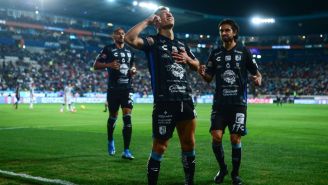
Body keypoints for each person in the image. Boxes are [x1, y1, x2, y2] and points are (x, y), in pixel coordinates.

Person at [125, 7, 200, 185]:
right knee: (160, 146)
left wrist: (188, 60)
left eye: (170, 12)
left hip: (185, 100)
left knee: (189, 144)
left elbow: (197, 66)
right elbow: (130, 38)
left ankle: (189, 182)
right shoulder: (153, 41)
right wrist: (147, 21)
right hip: (165, 102)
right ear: (157, 20)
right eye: (164, 13)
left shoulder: (182, 45)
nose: (170, 14)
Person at [198, 19, 262, 185]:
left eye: (227, 30)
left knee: (235, 139)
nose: (224, 33)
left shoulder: (244, 51)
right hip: (219, 103)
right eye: (221, 31)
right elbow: (208, 78)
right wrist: (200, 71)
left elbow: (257, 73)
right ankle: (223, 168)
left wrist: (257, 79)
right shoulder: (215, 53)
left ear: (234, 33)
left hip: (238, 104)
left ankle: (235, 173)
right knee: (216, 136)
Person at [94, 27, 137, 159]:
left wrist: (133, 70)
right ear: (113, 36)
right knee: (113, 116)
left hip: (127, 89)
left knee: (127, 118)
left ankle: (126, 151)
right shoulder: (108, 49)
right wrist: (109, 65)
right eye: (118, 34)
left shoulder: (130, 51)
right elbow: (95, 65)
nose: (121, 35)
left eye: (123, 33)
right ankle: (110, 140)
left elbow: (133, 65)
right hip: (113, 89)